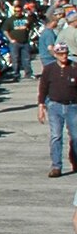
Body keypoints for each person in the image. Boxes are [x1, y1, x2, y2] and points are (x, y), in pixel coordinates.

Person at [38, 42, 77, 177]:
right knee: (56, 136)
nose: (64, 56)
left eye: (65, 53)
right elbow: (43, 88)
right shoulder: (49, 69)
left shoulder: (74, 67)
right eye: (60, 54)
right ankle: (56, 166)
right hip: (54, 106)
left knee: (76, 136)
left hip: (72, 106)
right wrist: (41, 106)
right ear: (55, 55)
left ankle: (75, 160)